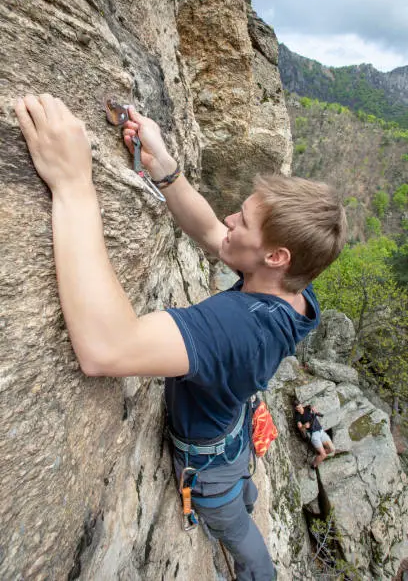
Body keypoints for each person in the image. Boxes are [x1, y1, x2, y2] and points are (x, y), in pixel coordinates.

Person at [14, 94, 347, 581]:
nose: (231, 218)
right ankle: (245, 494)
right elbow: (214, 235)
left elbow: (106, 349)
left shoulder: (237, 326)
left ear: (276, 257)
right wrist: (165, 169)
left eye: (246, 221)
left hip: (210, 471)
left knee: (239, 534)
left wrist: (72, 185)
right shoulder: (296, 292)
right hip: (230, 435)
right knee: (243, 492)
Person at [294, 400, 335, 471]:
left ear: (301, 405)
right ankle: (313, 465)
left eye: (300, 407)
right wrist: (304, 426)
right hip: (313, 435)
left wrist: (315, 411)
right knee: (324, 455)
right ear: (296, 409)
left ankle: (318, 455)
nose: (300, 409)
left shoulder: (307, 408)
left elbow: (315, 410)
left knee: (332, 449)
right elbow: (300, 428)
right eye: (297, 408)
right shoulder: (298, 416)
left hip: (321, 431)